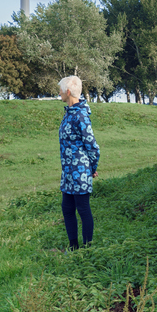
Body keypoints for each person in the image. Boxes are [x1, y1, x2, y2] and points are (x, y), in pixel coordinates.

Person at [59, 75, 100, 249]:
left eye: (60, 90)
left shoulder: (81, 115)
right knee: (67, 209)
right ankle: (73, 246)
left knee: (83, 209)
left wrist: (92, 167)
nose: (59, 93)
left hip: (81, 171)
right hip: (68, 172)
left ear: (68, 92)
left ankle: (88, 248)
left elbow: (92, 146)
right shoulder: (69, 113)